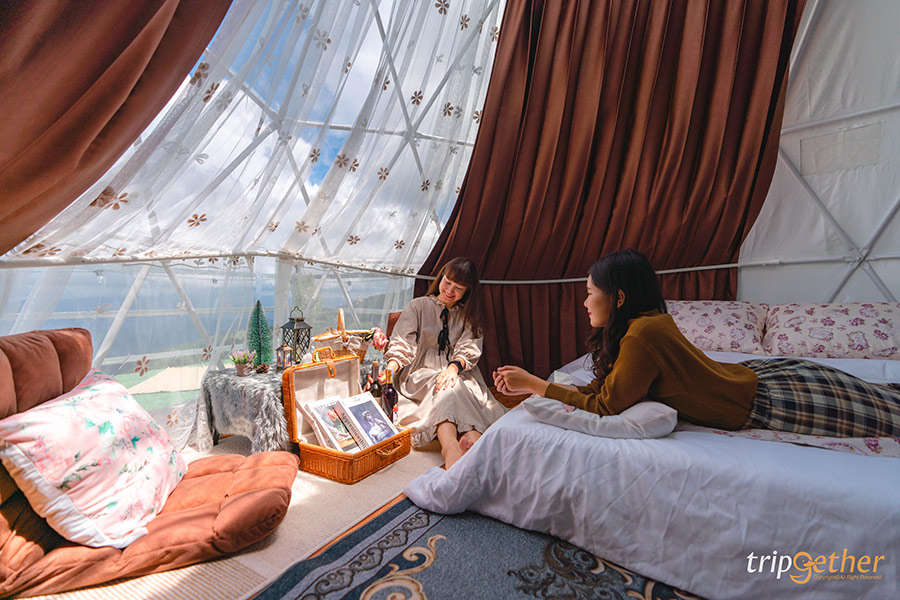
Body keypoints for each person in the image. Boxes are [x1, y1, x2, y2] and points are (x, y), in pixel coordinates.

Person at [494, 249, 900, 438]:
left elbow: (606, 406)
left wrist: (536, 385)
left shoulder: (642, 335)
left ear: (617, 298)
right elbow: (605, 390)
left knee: (887, 413)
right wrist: (537, 385)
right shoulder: (646, 324)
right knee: (883, 397)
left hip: (760, 400)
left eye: (589, 293)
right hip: (758, 378)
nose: (584, 302)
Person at [382, 257, 507, 467]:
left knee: (453, 385)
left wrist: (453, 369)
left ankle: (470, 446)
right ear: (441, 277)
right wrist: (390, 370)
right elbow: (403, 343)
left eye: (458, 288)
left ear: (468, 290)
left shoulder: (469, 315)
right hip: (420, 372)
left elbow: (469, 348)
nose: (449, 290)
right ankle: (452, 447)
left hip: (459, 371)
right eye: (447, 282)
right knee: (449, 387)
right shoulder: (418, 306)